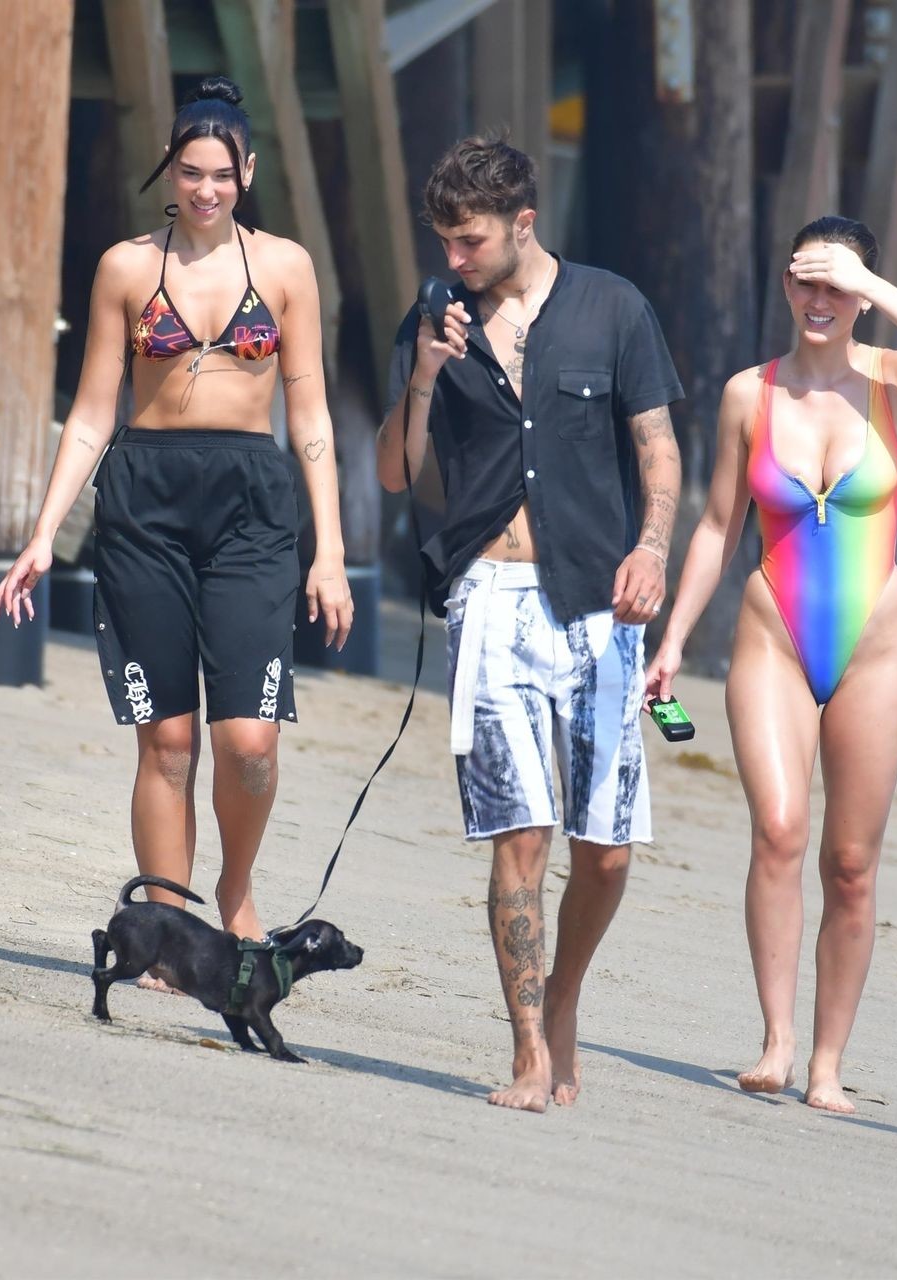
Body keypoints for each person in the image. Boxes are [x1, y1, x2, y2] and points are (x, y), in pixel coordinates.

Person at [0, 77, 351, 964]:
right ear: (169, 171)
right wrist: (44, 533)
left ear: (248, 173)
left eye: (222, 175)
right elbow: (91, 413)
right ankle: (164, 930)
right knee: (170, 738)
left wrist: (331, 552)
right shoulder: (126, 267)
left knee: (250, 742)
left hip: (252, 504)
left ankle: (235, 889)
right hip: (145, 501)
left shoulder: (286, 268)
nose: (205, 190)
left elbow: (310, 414)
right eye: (191, 173)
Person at [644, 216, 897, 1112]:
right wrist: (673, 640)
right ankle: (778, 1040)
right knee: (780, 830)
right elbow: (718, 525)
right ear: (786, 286)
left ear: (864, 292)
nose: (820, 299)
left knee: (852, 862)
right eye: (807, 281)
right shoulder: (749, 393)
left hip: (876, 651)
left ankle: (830, 1062)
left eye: (837, 284)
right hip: (773, 641)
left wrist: (869, 284)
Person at [375, 136, 683, 1112]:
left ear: (523, 223)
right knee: (523, 832)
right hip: (488, 595)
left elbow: (659, 447)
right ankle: (526, 1051)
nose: (454, 258)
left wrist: (653, 548)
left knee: (608, 848)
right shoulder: (436, 315)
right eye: (444, 240)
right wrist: (424, 378)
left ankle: (564, 996)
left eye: (469, 240)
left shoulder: (612, 307)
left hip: (599, 600)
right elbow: (394, 473)